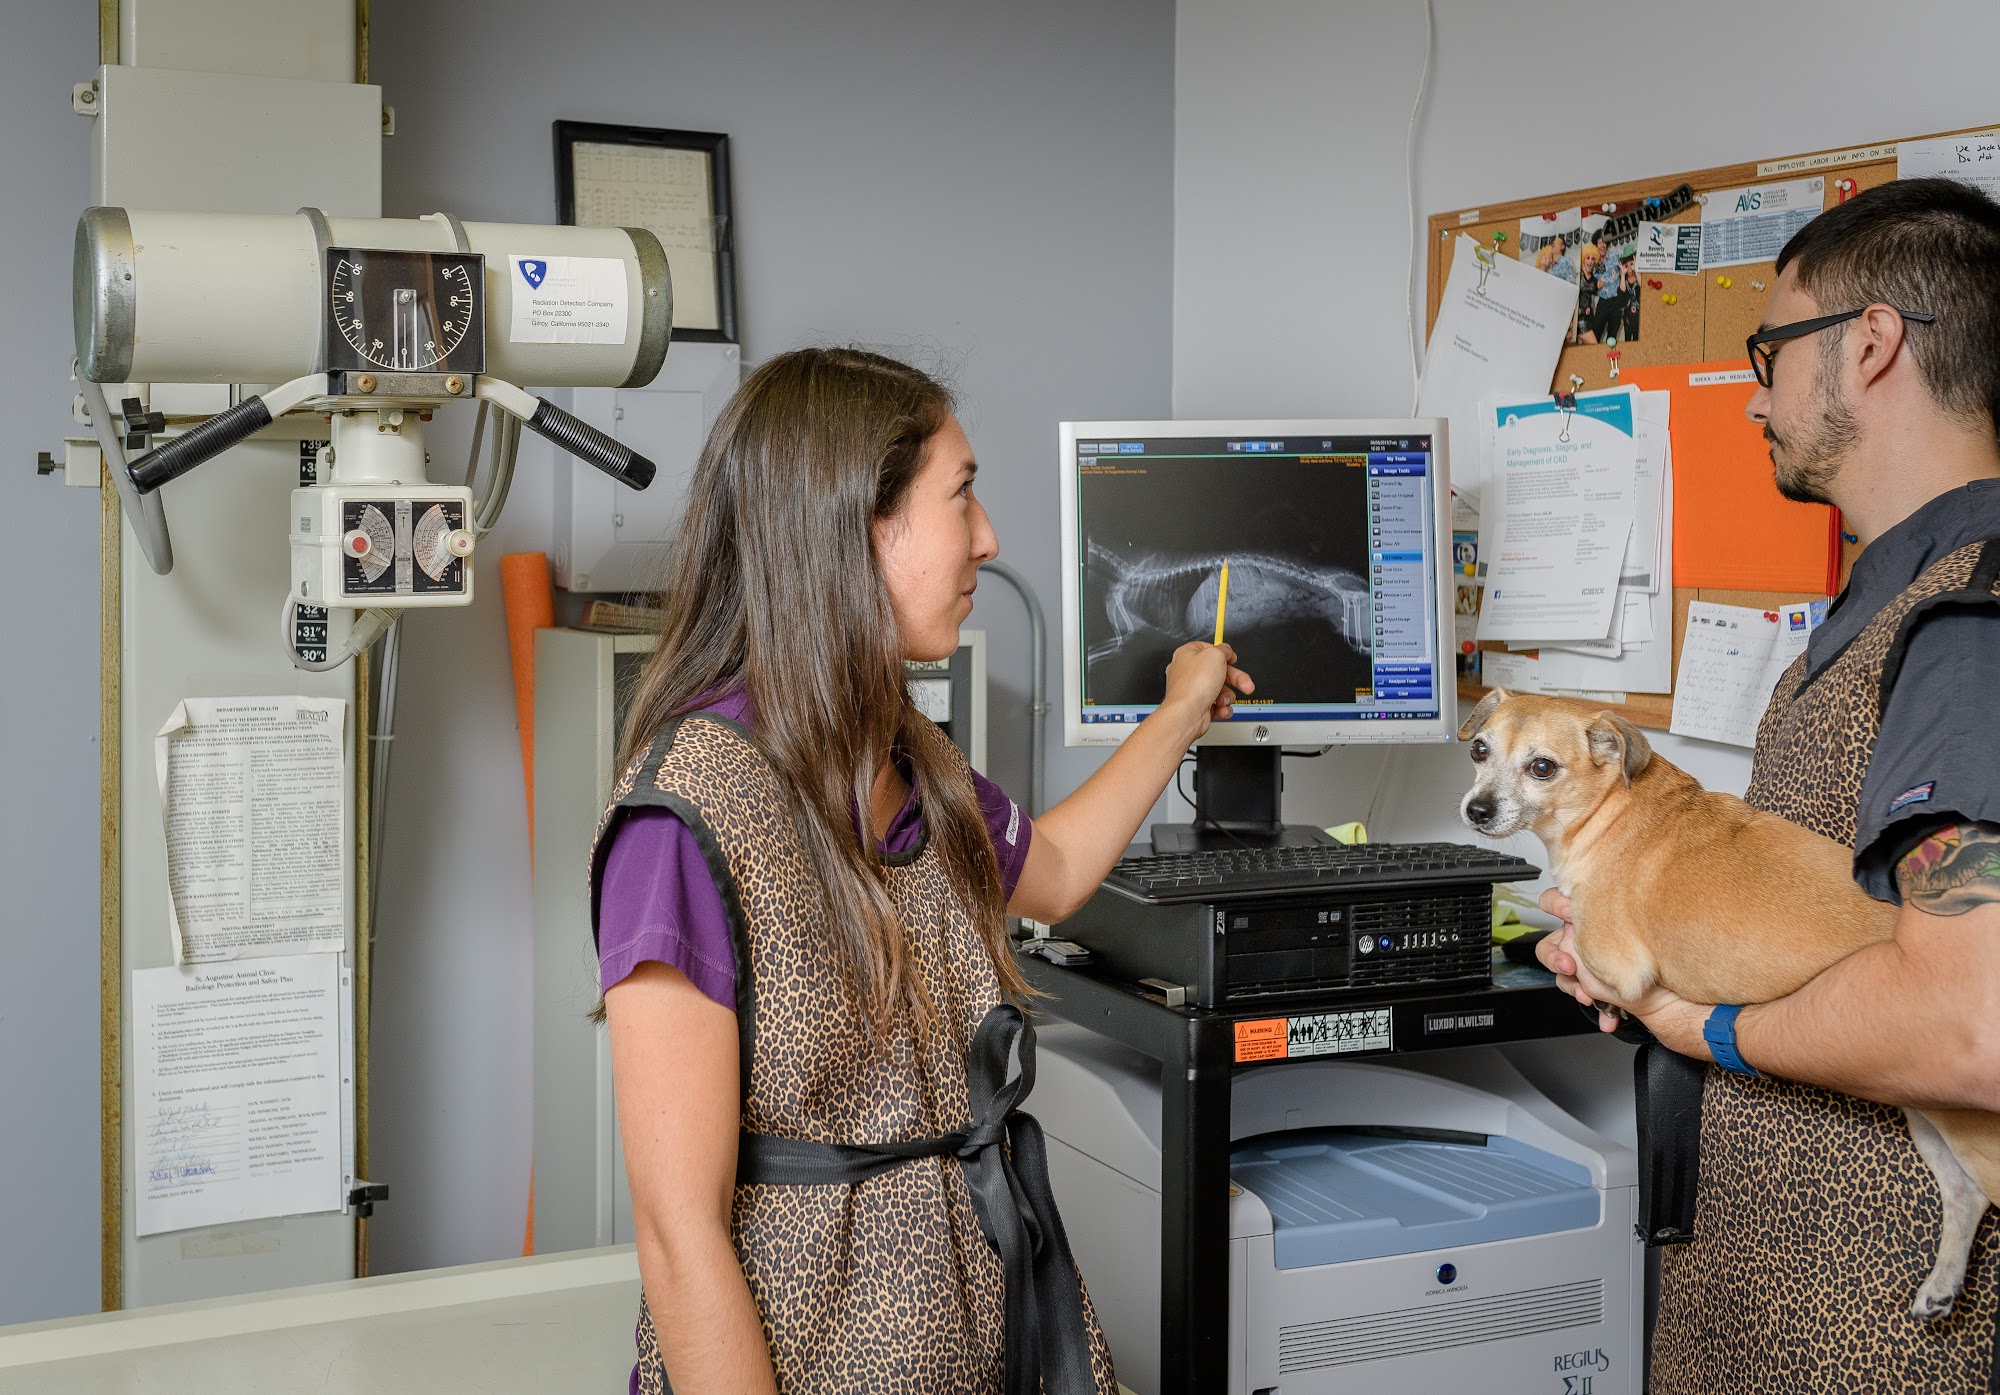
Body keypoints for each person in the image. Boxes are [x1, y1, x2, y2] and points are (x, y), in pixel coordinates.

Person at [593, 348, 1253, 1395]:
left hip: (982, 1332)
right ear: (859, 524)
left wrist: (1179, 710)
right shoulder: (687, 815)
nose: (987, 538)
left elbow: (1055, 870)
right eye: (961, 495)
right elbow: (679, 1236)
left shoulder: (908, 754)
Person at [1537, 176, 2000, 1390]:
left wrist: (1699, 1025)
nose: (1754, 396)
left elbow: (1971, 1025)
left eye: (1770, 352)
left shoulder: (1964, 629)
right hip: (1767, 1274)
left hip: (1877, 1318)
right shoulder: (1884, 606)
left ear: (1870, 343)